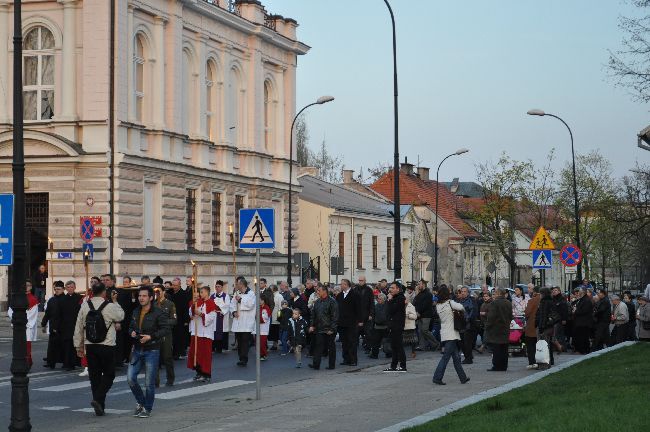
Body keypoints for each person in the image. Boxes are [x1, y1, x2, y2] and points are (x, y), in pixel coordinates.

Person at [73, 282, 125, 416]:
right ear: (104, 292)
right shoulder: (109, 306)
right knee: (109, 374)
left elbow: (78, 327)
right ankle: (98, 399)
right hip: (107, 345)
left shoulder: (85, 306)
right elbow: (121, 316)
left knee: (94, 376)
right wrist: (115, 301)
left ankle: (100, 407)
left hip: (90, 345)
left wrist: (78, 345)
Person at [127, 286, 170, 418]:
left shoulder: (158, 312)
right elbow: (130, 327)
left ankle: (147, 408)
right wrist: (132, 332)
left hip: (152, 349)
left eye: (144, 296)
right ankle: (141, 402)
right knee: (130, 378)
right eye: (140, 296)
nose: (141, 298)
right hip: (137, 349)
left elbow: (166, 329)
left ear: (151, 297)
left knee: (149, 383)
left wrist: (151, 337)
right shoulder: (135, 311)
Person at [432, 285, 469, 385]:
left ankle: (463, 377)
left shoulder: (438, 305)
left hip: (444, 332)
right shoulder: (450, 303)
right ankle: (437, 377)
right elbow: (461, 307)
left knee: (456, 357)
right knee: (446, 358)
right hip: (452, 333)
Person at [188, 286, 218, 381]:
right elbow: (190, 313)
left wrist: (201, 314)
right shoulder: (198, 302)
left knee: (205, 354)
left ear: (207, 293)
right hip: (197, 332)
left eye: (202, 292)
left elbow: (212, 317)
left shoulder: (211, 303)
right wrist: (194, 306)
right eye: (200, 292)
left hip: (206, 333)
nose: (200, 294)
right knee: (196, 353)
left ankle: (206, 374)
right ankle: (199, 371)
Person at [8, 281, 39, 369]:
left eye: (28, 285)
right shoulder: (16, 297)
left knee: (27, 344)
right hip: (18, 324)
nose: (26, 287)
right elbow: (10, 311)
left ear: (31, 287)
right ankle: (18, 361)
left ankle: (27, 362)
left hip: (27, 326)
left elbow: (33, 313)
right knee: (18, 344)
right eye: (24, 286)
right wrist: (15, 320)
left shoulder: (33, 299)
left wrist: (26, 323)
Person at [309, 285, 338, 370]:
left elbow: (335, 316)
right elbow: (313, 315)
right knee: (318, 347)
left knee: (331, 347)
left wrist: (332, 329)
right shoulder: (317, 302)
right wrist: (312, 325)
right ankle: (316, 364)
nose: (317, 292)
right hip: (319, 328)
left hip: (329, 329)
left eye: (319, 290)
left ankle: (331, 365)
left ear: (324, 291)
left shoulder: (332, 302)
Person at [484, 288, 513, 372]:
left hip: (496, 329)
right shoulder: (508, 303)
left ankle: (497, 366)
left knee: (496, 348)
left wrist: (488, 325)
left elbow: (491, 316)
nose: (494, 295)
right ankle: (504, 366)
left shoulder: (494, 303)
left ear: (498, 293)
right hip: (505, 328)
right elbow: (511, 316)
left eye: (495, 293)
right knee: (504, 348)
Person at [336, 279, 362, 366]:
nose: (341, 285)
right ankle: (346, 359)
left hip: (352, 322)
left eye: (343, 284)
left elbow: (359, 308)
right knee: (344, 342)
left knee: (352, 341)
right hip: (342, 323)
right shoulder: (339, 295)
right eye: (341, 284)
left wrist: (359, 320)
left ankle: (353, 360)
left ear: (347, 285)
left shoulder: (355, 294)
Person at [154, 287, 176, 387]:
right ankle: (155, 381)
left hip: (166, 333)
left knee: (167, 357)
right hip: (155, 334)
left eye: (159, 291)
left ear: (163, 292)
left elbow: (174, 320)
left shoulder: (170, 304)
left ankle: (170, 379)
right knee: (154, 358)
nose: (157, 293)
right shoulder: (153, 304)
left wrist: (163, 322)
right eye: (155, 292)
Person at [231, 278, 256, 367]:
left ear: (242, 284)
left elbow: (251, 305)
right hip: (238, 321)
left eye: (237, 284)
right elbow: (232, 305)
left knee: (245, 341)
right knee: (239, 341)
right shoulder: (236, 293)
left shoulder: (251, 293)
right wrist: (234, 312)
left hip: (246, 322)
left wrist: (240, 300)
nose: (236, 286)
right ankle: (240, 357)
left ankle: (244, 359)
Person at [384, 282, 407, 372]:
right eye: (390, 288)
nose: (390, 289)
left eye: (393, 288)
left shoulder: (400, 298)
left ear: (398, 289)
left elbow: (392, 310)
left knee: (399, 346)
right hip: (392, 325)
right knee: (394, 346)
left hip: (397, 325)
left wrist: (389, 300)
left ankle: (403, 365)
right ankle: (393, 366)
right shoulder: (395, 298)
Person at [60, 280, 82, 370]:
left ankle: (76, 362)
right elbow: (60, 313)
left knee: (76, 344)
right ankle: (67, 363)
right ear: (65, 288)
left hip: (76, 324)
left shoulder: (79, 298)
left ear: (75, 288)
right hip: (65, 325)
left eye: (72, 287)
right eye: (68, 287)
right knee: (67, 345)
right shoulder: (62, 299)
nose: (70, 289)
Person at [42, 281, 64, 368]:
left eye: (58, 289)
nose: (57, 291)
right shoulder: (52, 300)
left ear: (63, 289)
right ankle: (51, 362)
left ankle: (65, 362)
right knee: (52, 346)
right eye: (55, 289)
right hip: (53, 326)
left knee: (63, 346)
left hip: (63, 326)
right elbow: (47, 313)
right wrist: (43, 323)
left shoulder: (65, 299)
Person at [167, 278, 191, 360]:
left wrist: (186, 320)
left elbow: (185, 308)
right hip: (171, 317)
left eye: (176, 285)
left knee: (179, 336)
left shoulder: (184, 294)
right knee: (172, 336)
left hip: (180, 318)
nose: (174, 287)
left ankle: (178, 353)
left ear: (180, 285)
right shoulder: (170, 293)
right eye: (173, 285)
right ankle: (173, 352)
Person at [412, 279, 438, 351]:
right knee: (420, 331)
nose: (418, 286)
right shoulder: (419, 293)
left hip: (426, 315)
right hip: (419, 315)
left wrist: (418, 311)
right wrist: (417, 293)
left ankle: (435, 343)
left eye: (419, 284)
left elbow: (425, 305)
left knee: (424, 330)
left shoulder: (428, 294)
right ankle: (422, 346)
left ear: (423, 285)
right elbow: (415, 302)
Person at [536, 287, 558, 368]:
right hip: (549, 326)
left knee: (544, 345)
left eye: (540, 294)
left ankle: (544, 363)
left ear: (543, 294)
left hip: (545, 327)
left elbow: (543, 316)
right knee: (546, 345)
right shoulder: (551, 301)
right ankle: (547, 362)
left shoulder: (544, 302)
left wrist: (541, 326)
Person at [457, 287, 477, 365]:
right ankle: (468, 356)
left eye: (464, 291)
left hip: (468, 325)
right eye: (462, 291)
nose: (463, 293)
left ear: (468, 292)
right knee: (461, 342)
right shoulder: (459, 300)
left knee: (467, 343)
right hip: (461, 324)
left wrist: (467, 319)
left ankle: (468, 358)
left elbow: (473, 311)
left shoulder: (471, 300)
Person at [210, 281, 231, 353]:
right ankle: (213, 347)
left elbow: (227, 306)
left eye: (218, 286)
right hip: (214, 315)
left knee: (222, 330)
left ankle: (222, 347)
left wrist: (220, 308)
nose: (217, 288)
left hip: (222, 315)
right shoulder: (212, 296)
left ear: (222, 287)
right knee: (214, 331)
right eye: (216, 286)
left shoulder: (226, 296)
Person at [354, 276, 374, 352]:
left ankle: (368, 347)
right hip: (357, 315)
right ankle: (355, 346)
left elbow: (371, 303)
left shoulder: (369, 290)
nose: (360, 282)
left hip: (366, 314)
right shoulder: (355, 289)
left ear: (365, 281)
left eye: (361, 280)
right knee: (356, 332)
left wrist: (371, 314)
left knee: (367, 332)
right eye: (359, 280)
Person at [524, 287, 540, 369]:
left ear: (534, 292)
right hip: (542, 326)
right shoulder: (544, 300)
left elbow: (527, 313)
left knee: (530, 345)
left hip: (532, 325)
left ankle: (532, 362)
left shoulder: (532, 300)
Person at [572, 288, 593, 354]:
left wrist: (575, 311)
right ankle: (580, 350)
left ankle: (584, 350)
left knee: (583, 337)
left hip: (584, 322)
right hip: (580, 322)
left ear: (583, 292)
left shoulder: (586, 300)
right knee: (580, 336)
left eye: (580, 291)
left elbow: (584, 311)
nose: (578, 292)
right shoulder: (582, 299)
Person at [369, 293, 388, 359]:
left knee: (386, 342)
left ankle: (388, 353)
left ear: (384, 299)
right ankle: (374, 354)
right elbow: (373, 316)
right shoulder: (376, 306)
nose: (378, 300)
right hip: (377, 327)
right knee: (376, 342)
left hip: (385, 327)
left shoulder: (387, 306)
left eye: (380, 299)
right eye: (378, 299)